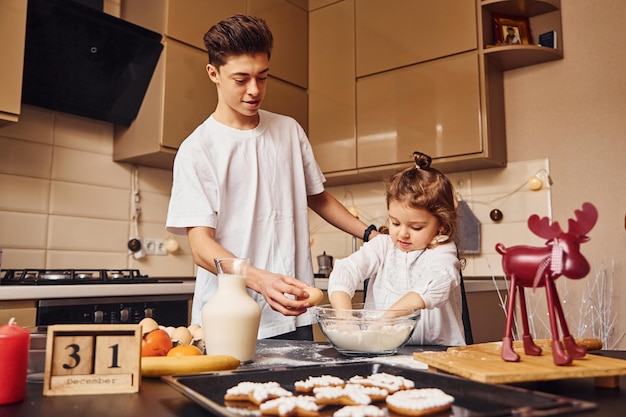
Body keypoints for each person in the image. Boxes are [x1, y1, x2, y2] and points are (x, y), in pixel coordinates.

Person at [165, 14, 375, 341]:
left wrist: (372, 234)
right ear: (213, 74)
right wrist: (262, 281)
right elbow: (200, 246)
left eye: (262, 77)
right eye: (241, 79)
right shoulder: (197, 149)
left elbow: (316, 196)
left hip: (294, 314)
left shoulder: (288, 131)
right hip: (227, 321)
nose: (254, 90)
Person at [327, 151, 466, 346]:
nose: (402, 234)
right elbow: (345, 271)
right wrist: (345, 319)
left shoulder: (443, 251)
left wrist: (386, 319)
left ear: (441, 224)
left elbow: (435, 285)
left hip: (438, 355)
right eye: (395, 223)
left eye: (416, 227)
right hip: (383, 350)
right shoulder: (382, 246)